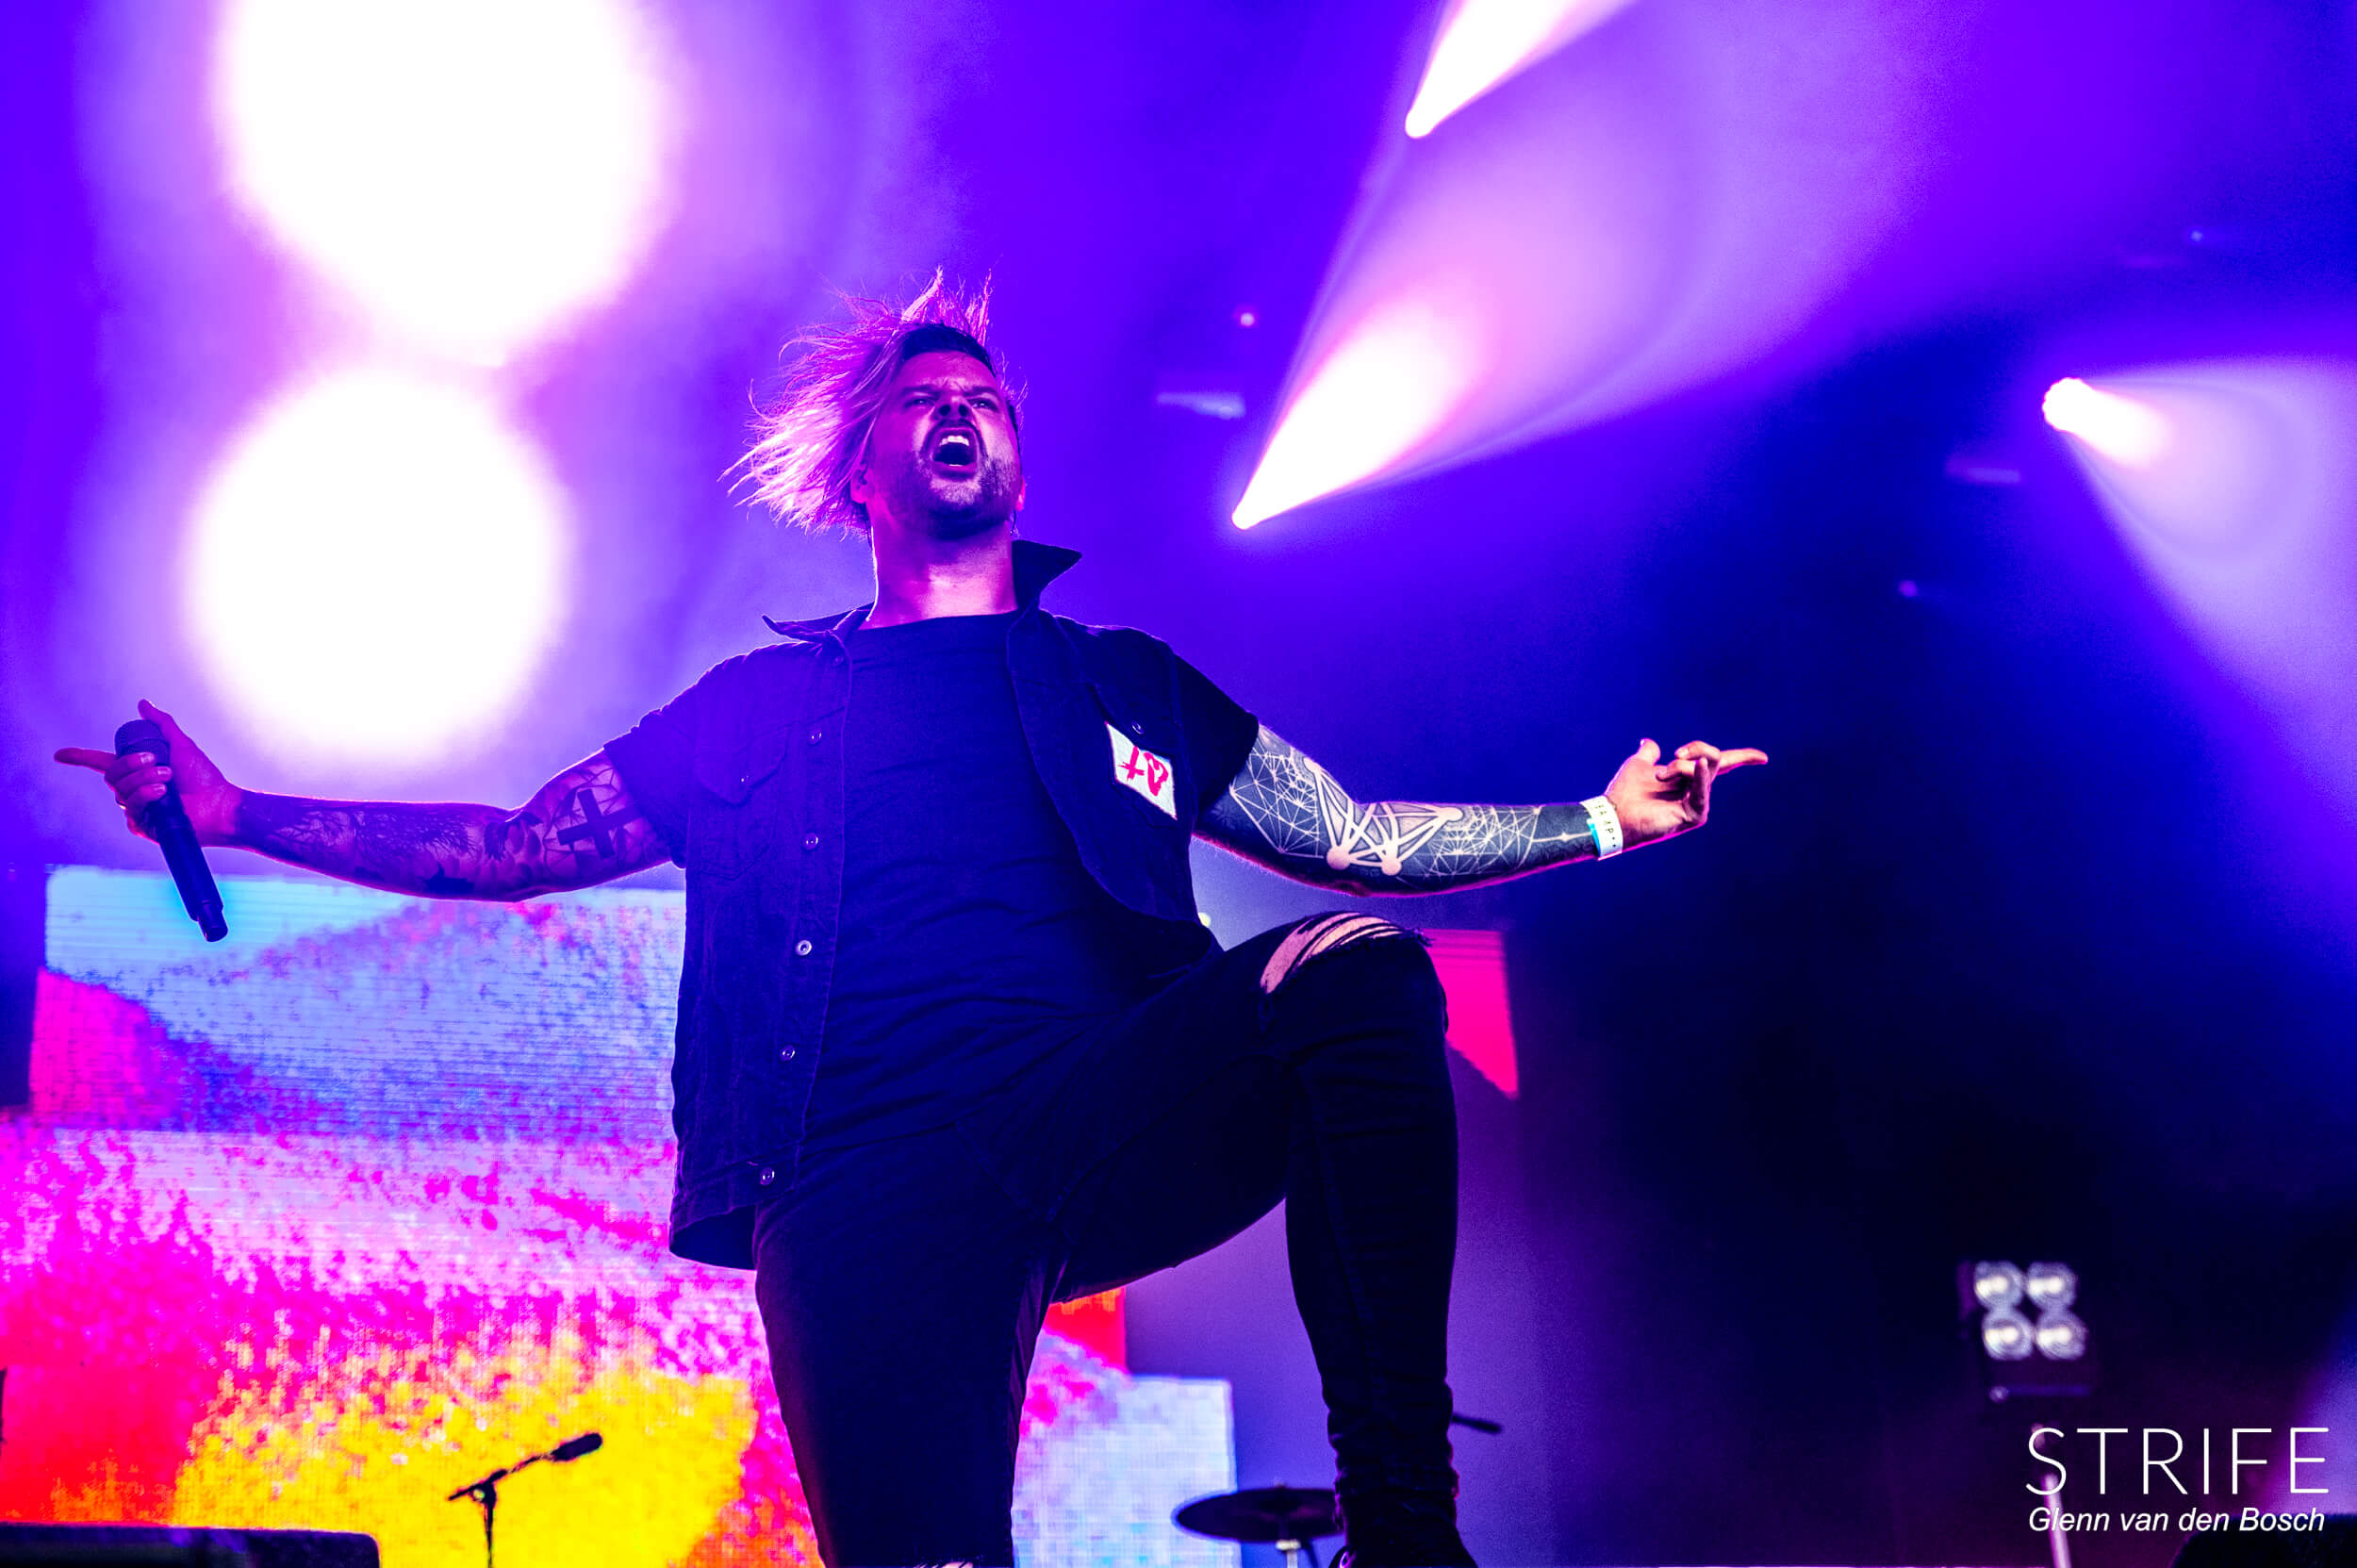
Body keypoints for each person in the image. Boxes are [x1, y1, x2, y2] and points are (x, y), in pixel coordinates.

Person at [58, 277, 1765, 1568]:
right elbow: (517, 847)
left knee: (1358, 972)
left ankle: (1403, 1528)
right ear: (862, 467)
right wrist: (238, 810)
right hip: (860, 1185)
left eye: (986, 398)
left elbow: (1356, 842)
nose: (962, 412)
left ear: (1015, 453)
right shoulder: (752, 715)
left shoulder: (1123, 683)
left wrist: (1598, 822)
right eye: (924, 400)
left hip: (1095, 1106)